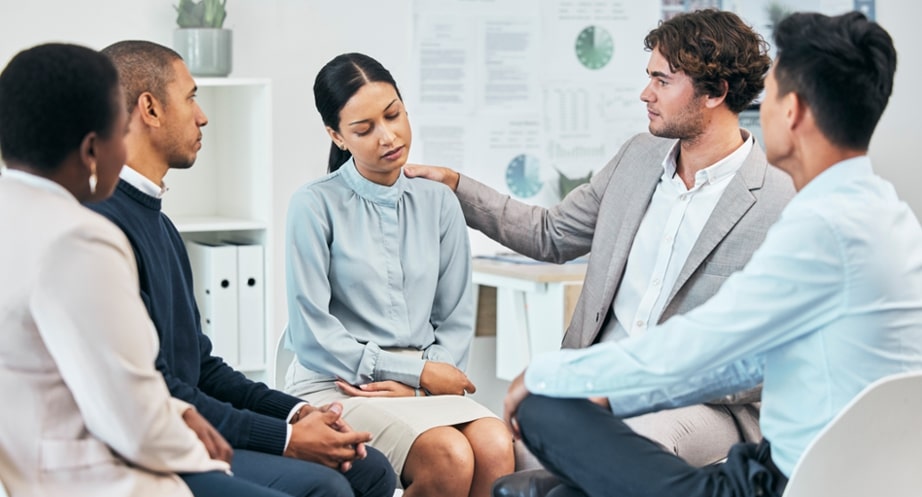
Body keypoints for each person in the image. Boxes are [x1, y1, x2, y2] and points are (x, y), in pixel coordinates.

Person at [496, 10, 922, 497]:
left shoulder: (821, 226)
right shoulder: (885, 214)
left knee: (543, 408)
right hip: (820, 467)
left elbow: (703, 342)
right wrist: (607, 387)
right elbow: (743, 358)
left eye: (771, 95)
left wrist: (552, 373)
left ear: (794, 111)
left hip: (790, 481)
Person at [405, 8, 795, 470]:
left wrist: (635, 387)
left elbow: (769, 361)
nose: (645, 93)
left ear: (715, 92)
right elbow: (550, 234)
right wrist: (454, 186)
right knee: (514, 457)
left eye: (662, 81)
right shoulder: (638, 157)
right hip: (595, 378)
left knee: (626, 443)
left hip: (703, 405)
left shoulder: (779, 200)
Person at [86, 41, 395, 497]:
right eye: (190, 97)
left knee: (372, 470)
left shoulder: (161, 225)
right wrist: (287, 440)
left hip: (192, 423)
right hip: (153, 444)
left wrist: (296, 414)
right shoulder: (104, 229)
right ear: (149, 109)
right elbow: (160, 389)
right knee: (325, 487)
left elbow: (201, 369)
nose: (202, 115)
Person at [0, 42, 294, 497]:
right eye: (121, 132)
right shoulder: (77, 237)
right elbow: (129, 415)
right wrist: (197, 444)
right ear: (92, 148)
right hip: (93, 474)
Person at [282, 52, 514, 497]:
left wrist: (423, 381)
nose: (387, 137)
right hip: (340, 384)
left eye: (393, 115)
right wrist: (418, 373)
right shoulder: (313, 205)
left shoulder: (439, 202)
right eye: (364, 129)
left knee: (496, 446)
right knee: (448, 455)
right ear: (337, 136)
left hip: (423, 385)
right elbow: (311, 333)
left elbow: (456, 318)